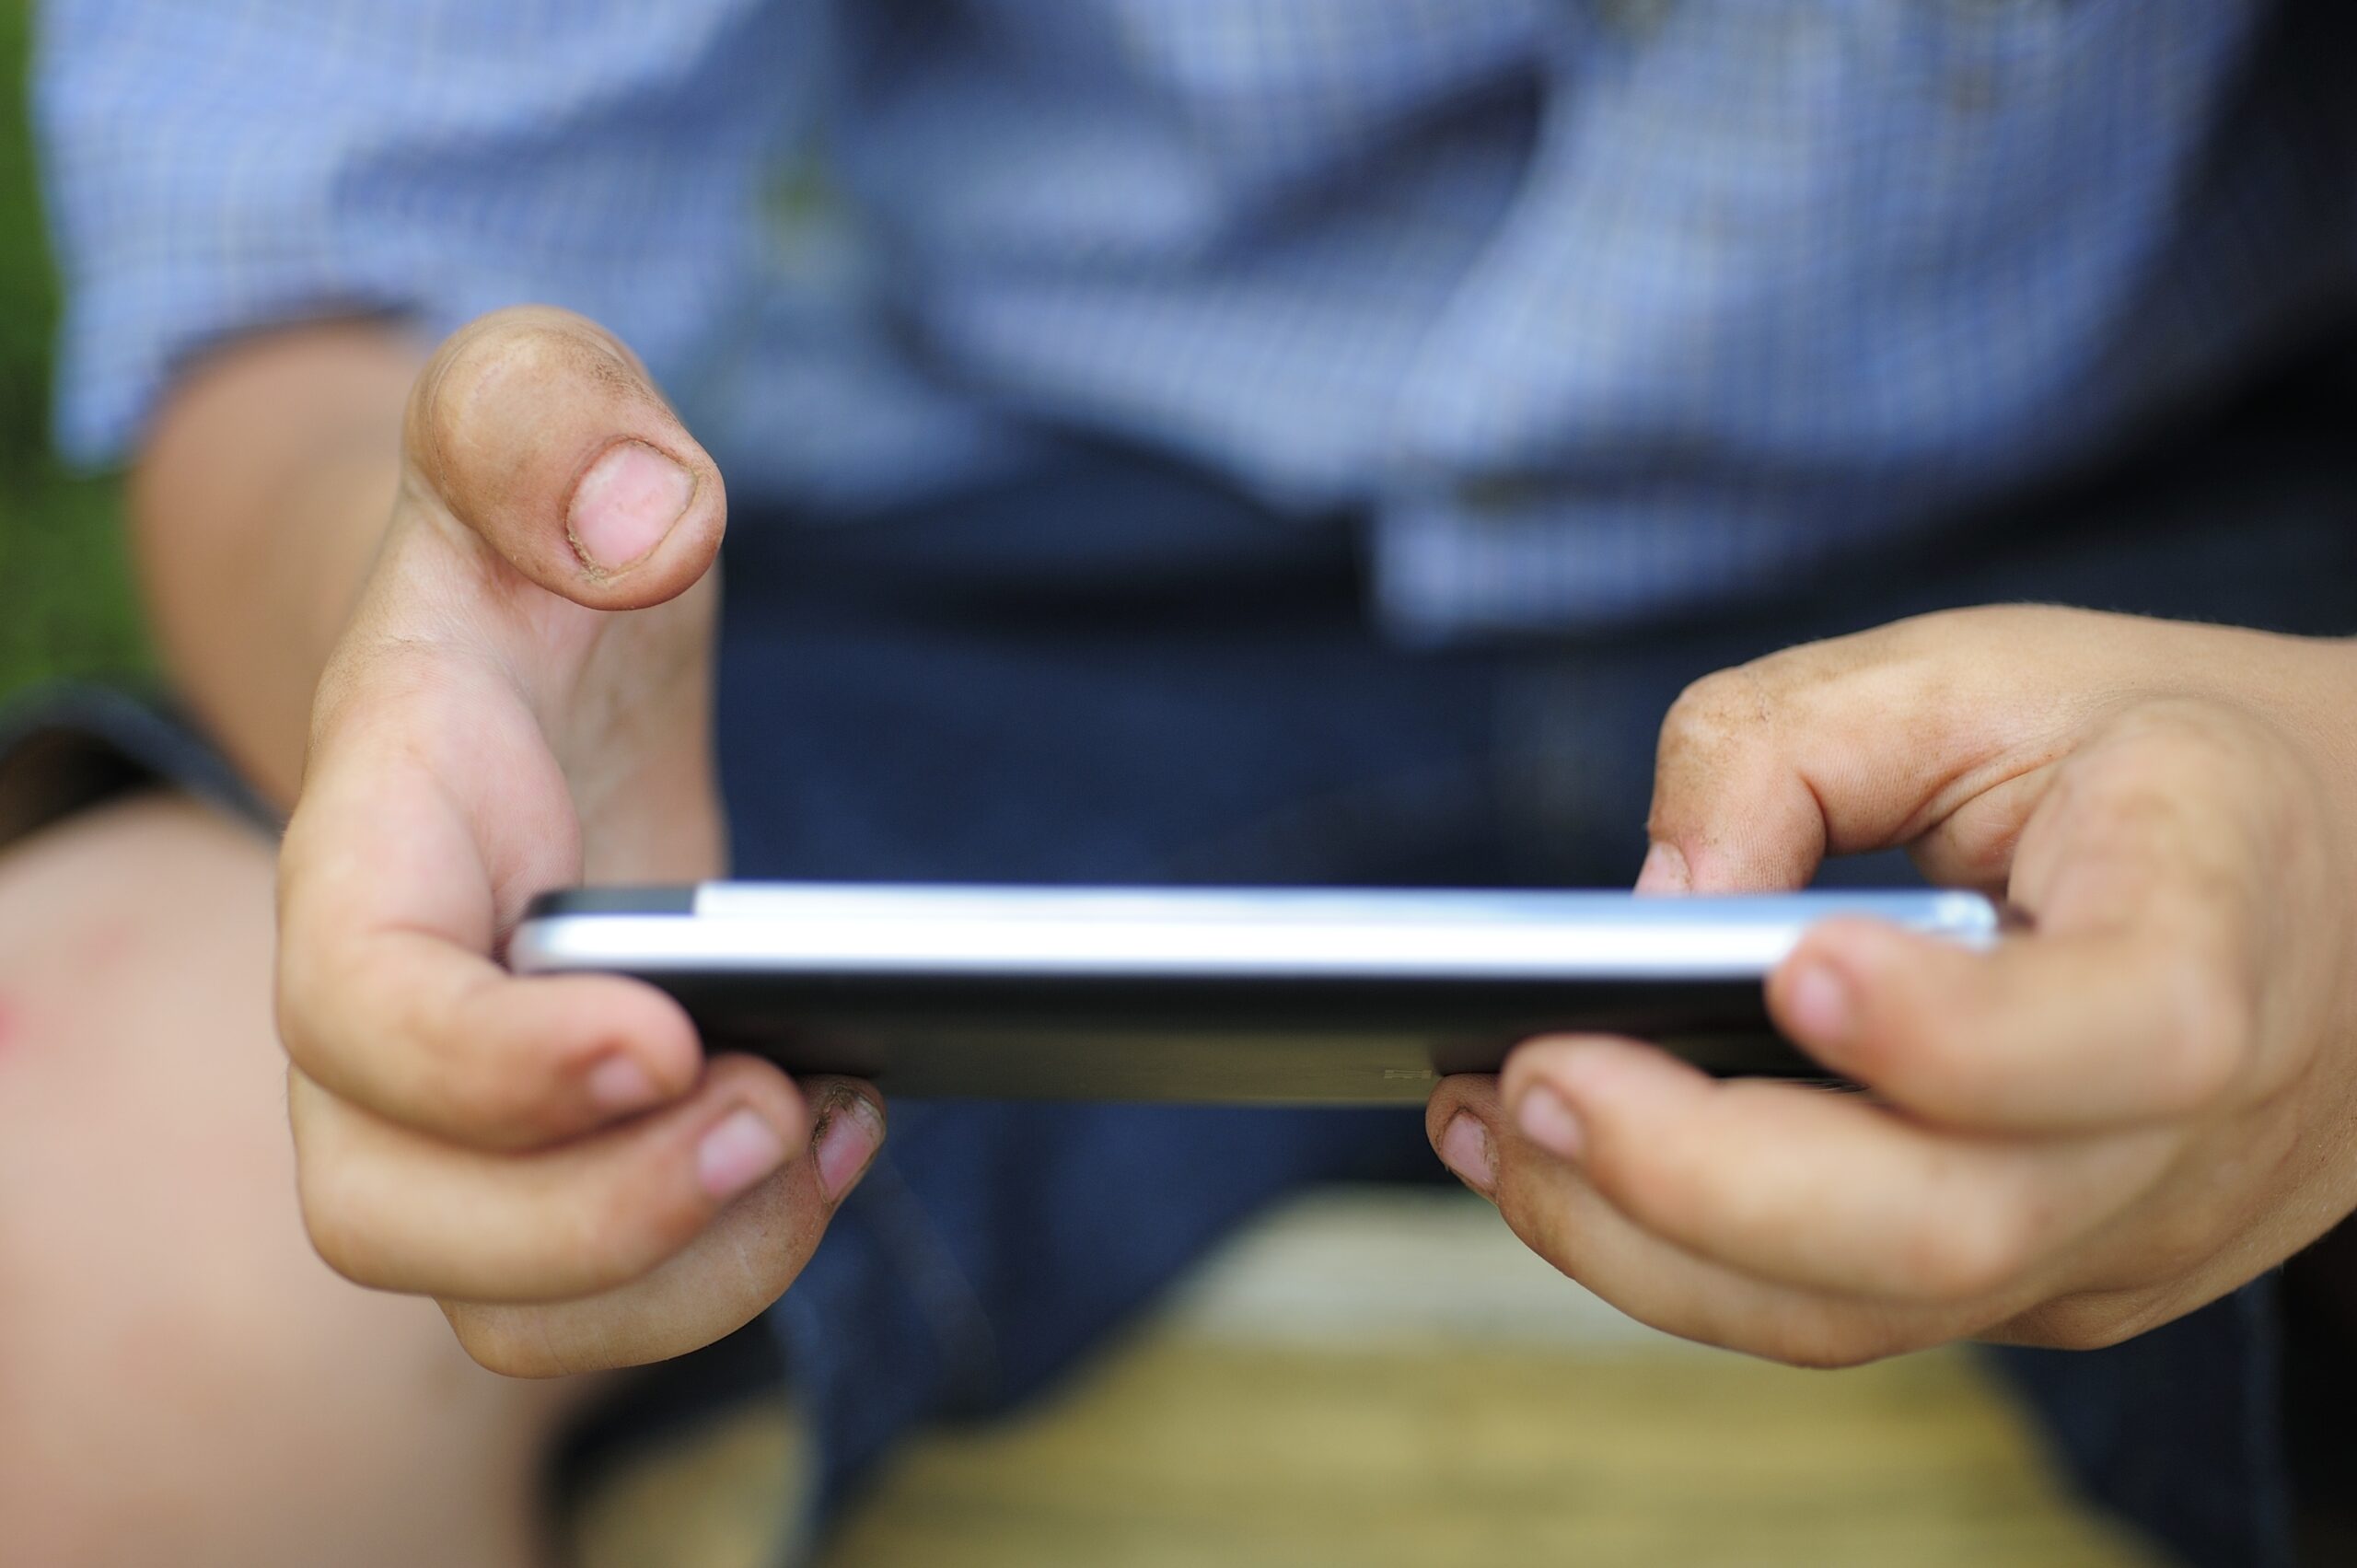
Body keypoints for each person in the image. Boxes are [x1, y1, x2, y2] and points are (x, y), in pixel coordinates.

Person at [9, 3, 2357, 1563]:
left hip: (2209, 596)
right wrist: (459, 625)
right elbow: (328, 269)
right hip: (994, 539)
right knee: (87, 1173)